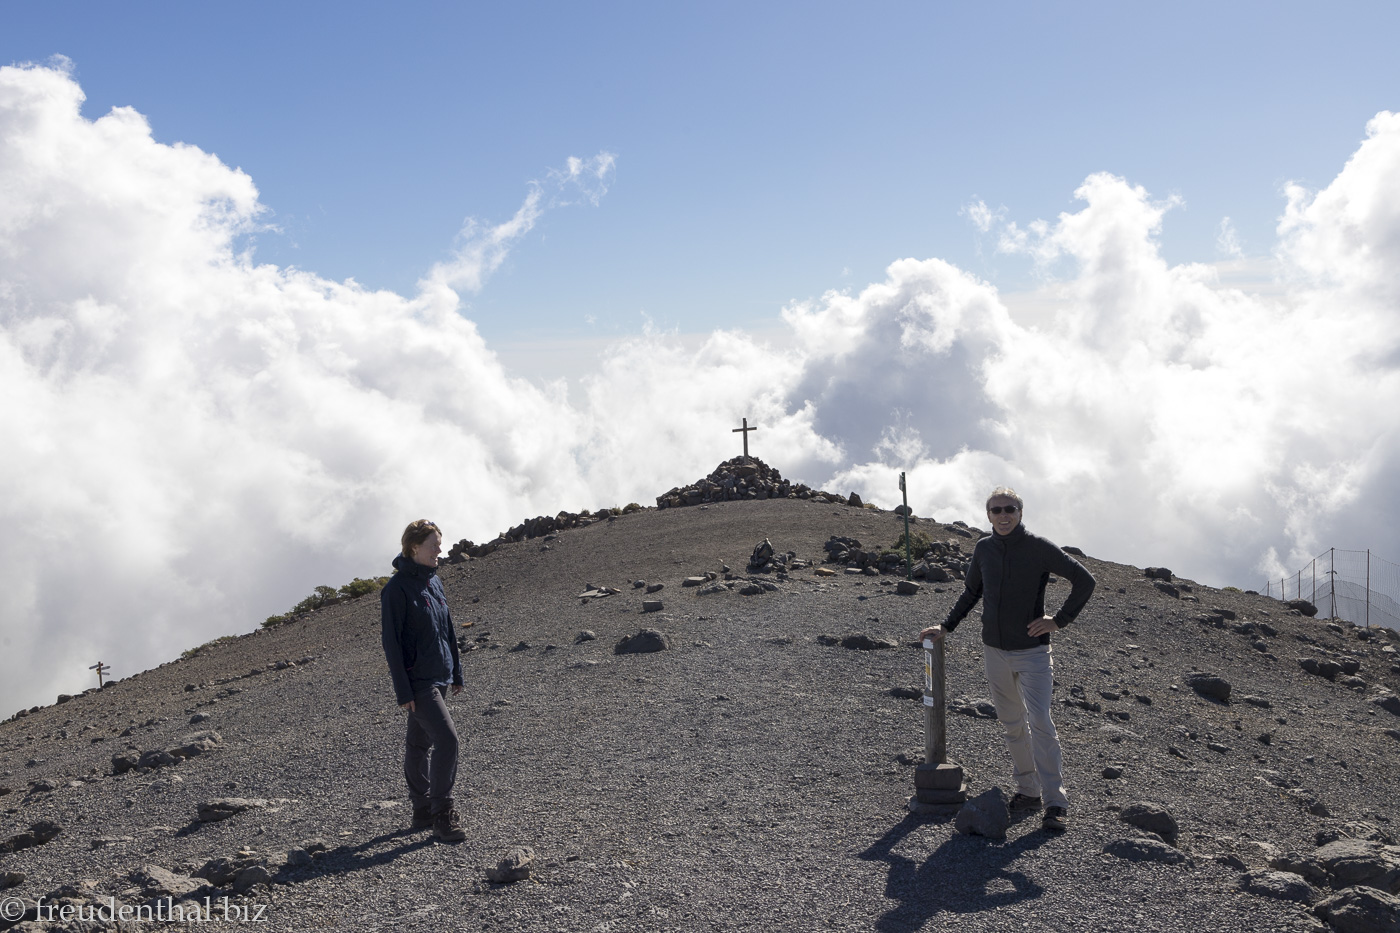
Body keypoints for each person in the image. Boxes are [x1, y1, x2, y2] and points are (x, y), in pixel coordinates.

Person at [920, 487, 1095, 832]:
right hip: (995, 652)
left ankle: (1055, 802)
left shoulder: (1039, 547)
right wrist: (946, 625)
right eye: (996, 510)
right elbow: (972, 591)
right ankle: (1028, 791)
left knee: (1041, 721)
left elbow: (1084, 581)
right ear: (988, 515)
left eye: (1009, 509)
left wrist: (1058, 620)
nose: (1003, 515)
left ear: (1020, 512)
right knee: (1012, 723)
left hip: (1033, 653)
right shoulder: (984, 548)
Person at [381, 519, 466, 843]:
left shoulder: (434, 582)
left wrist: (456, 671)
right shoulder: (395, 589)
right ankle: (442, 814)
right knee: (447, 740)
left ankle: (421, 810)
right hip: (418, 681)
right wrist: (403, 690)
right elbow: (392, 643)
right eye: (434, 545)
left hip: (440, 675)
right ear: (414, 547)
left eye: (439, 544)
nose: (440, 550)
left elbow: (447, 629)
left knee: (418, 744)